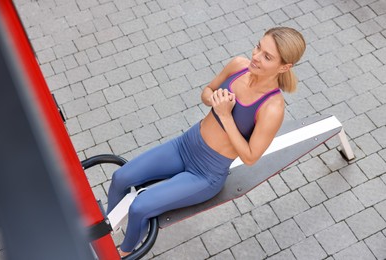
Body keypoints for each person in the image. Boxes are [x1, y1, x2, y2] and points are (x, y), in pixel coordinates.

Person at [106, 27, 306, 258]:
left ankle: (123, 252)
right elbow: (206, 91)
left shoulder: (273, 108)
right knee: (120, 178)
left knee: (140, 207)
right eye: (258, 46)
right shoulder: (238, 65)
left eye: (267, 56)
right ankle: (110, 228)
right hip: (185, 145)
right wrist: (213, 99)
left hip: (205, 173)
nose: (256, 56)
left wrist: (225, 115)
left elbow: (251, 157)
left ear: (284, 67)